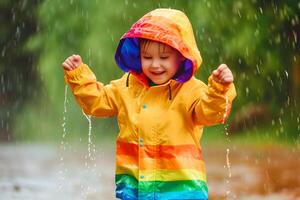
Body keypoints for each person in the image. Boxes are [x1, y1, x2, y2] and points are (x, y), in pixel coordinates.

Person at [62, 8, 236, 200]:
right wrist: (79, 77)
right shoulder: (127, 86)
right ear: (139, 57)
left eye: (164, 57)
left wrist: (220, 89)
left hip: (181, 192)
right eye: (147, 57)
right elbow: (97, 101)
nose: (155, 64)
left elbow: (211, 113)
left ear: (181, 56)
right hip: (133, 189)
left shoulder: (191, 90)